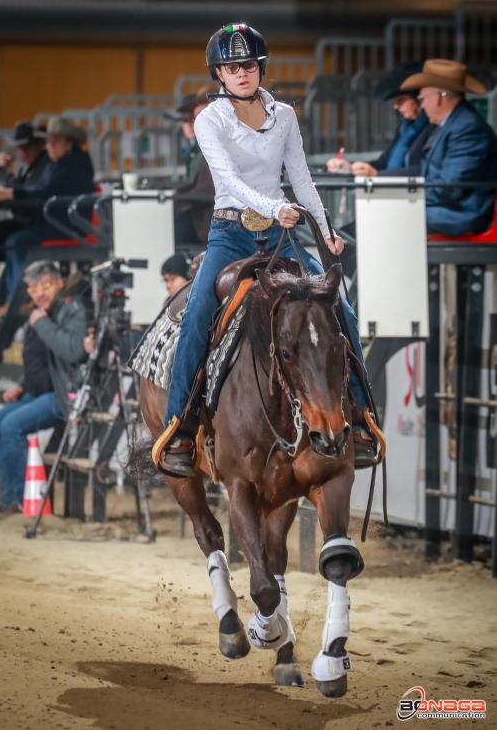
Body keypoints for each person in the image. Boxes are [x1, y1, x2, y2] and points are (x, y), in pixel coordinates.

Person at [161, 23, 373, 477]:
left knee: (342, 308)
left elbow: (302, 180)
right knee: (198, 311)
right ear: (219, 72)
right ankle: (178, 426)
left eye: (249, 65)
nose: (242, 73)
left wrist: (325, 231)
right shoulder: (208, 120)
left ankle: (361, 416)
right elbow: (229, 184)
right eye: (232, 66)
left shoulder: (286, 116)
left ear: (261, 68)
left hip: (283, 232)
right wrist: (274, 207)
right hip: (231, 230)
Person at [0, 261, 90, 517]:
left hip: (62, 395)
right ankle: (8, 499)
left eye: (45, 285)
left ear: (59, 284)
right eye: (33, 288)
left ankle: (22, 498)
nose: (39, 293)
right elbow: (39, 359)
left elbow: (73, 351)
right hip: (35, 393)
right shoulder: (41, 314)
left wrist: (42, 323)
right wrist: (21, 384)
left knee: (10, 426)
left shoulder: (71, 309)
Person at [0, 117, 95, 300]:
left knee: (18, 241)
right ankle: (7, 298)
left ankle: (22, 299)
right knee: (6, 236)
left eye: (55, 141)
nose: (50, 146)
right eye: (48, 141)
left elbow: (45, 191)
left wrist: (10, 193)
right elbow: (38, 191)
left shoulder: (74, 163)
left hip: (69, 225)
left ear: (69, 143)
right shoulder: (57, 164)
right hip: (56, 221)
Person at [400, 59, 497, 236]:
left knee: (391, 213)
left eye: (422, 98)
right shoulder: (453, 124)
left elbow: (449, 187)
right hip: (448, 207)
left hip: (463, 213)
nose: (421, 105)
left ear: (436, 98)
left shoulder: (467, 128)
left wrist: (408, 196)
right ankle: (339, 258)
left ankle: (341, 259)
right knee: (382, 211)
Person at [327, 61, 435, 177]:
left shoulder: (433, 127)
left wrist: (378, 175)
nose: (396, 105)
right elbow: (383, 163)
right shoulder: (405, 127)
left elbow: (427, 169)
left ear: (419, 99)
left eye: (402, 100)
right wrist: (350, 167)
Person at [0, 121, 50, 257]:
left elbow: (20, 192)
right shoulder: (28, 168)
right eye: (19, 147)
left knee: (15, 240)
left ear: (40, 144)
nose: (23, 152)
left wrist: (2, 170)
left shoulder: (46, 166)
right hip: (27, 222)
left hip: (38, 225)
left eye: (27, 146)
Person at [174, 89, 215, 244]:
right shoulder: (207, 148)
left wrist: (178, 197)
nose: (194, 123)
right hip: (209, 223)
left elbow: (208, 190)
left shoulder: (223, 147)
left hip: (217, 229)